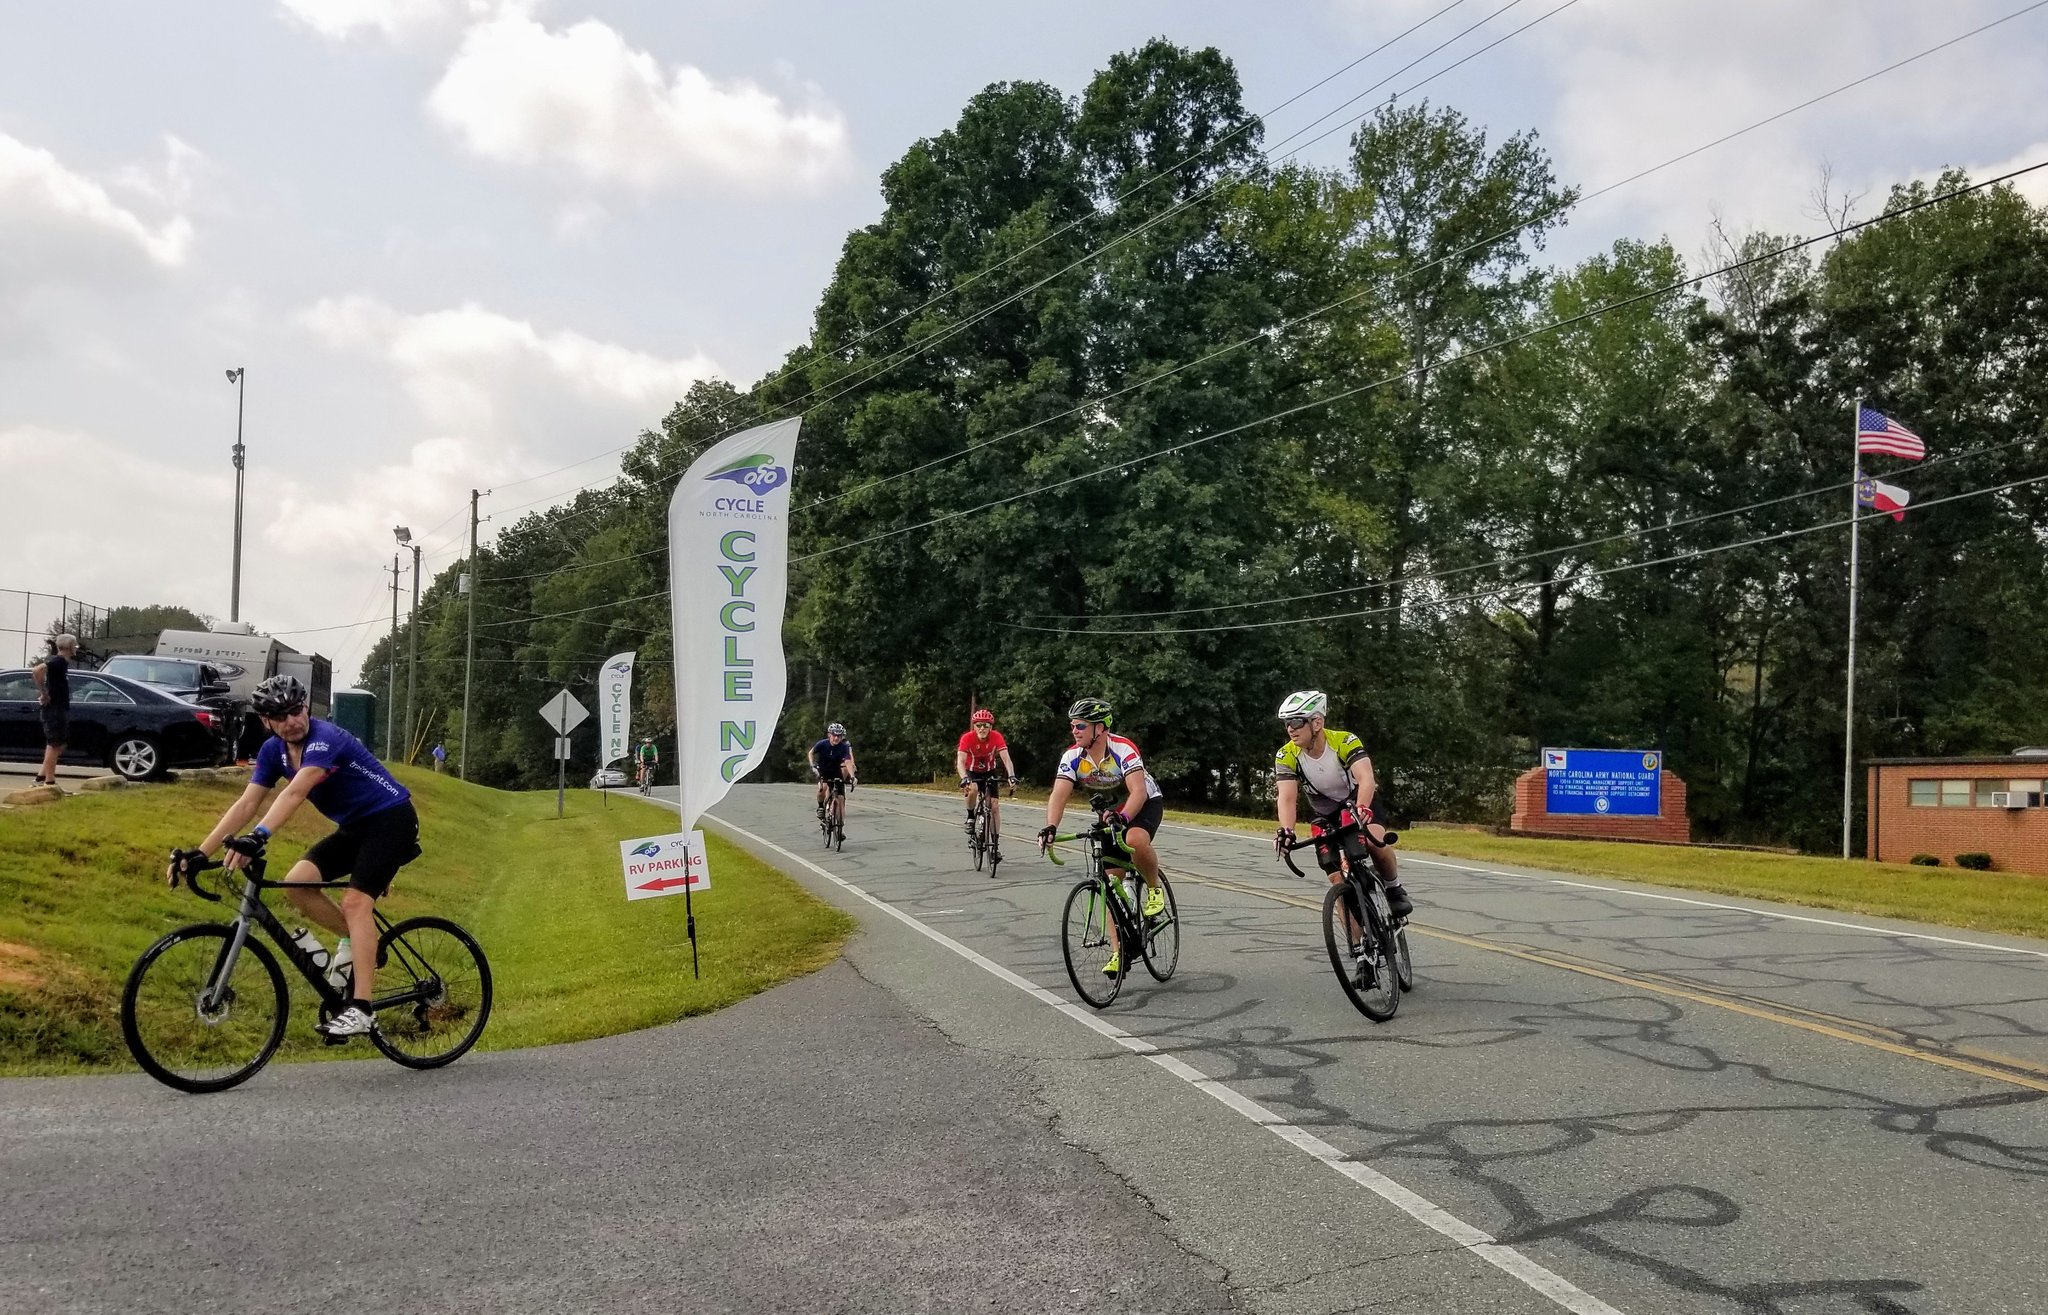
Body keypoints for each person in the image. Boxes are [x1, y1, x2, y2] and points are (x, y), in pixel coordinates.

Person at [170, 673, 420, 1040]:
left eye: (296, 710)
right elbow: (248, 802)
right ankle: (368, 948)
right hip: (356, 827)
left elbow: (295, 793)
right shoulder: (274, 752)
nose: (292, 721)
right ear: (266, 722)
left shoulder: (326, 738)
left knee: (355, 903)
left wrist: (258, 837)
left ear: (306, 707)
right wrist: (199, 852)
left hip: (392, 819)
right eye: (280, 716)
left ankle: (362, 1009)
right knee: (297, 884)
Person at [1270, 690, 1413, 963]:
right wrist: (1286, 830)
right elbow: (1286, 797)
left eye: (1297, 722)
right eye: (1286, 723)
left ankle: (1393, 888)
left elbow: (1366, 777)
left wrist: (1362, 808)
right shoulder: (1286, 755)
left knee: (1373, 841)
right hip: (1327, 814)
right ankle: (1360, 950)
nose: (1290, 728)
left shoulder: (1344, 741)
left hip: (1360, 801)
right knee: (1337, 878)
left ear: (1317, 723)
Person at [1037, 697, 1165, 976]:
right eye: (1072, 725)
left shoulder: (1123, 748)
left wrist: (1124, 818)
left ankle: (1154, 889)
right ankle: (1120, 953)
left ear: (1101, 727)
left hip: (1143, 804)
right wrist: (1050, 827)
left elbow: (1138, 792)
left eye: (1080, 725)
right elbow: (1059, 794)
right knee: (1109, 884)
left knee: (1133, 839)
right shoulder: (1072, 757)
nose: (1075, 730)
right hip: (1109, 812)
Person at [955, 708, 1019, 859]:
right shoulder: (967, 738)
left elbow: (1006, 759)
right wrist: (964, 778)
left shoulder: (996, 737)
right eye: (978, 725)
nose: (982, 728)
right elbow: (960, 762)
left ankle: (995, 847)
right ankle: (971, 816)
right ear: (974, 726)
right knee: (973, 789)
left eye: (986, 725)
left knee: (994, 806)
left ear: (991, 727)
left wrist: (1011, 776)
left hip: (990, 772)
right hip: (972, 772)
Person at [30, 633, 76, 787]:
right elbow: (37, 670)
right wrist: (44, 693)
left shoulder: (62, 664)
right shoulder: (58, 661)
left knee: (57, 744)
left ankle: (40, 777)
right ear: (69, 647)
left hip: (59, 707)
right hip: (54, 708)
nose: (76, 648)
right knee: (55, 744)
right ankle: (50, 781)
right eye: (74, 645)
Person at [809, 723, 856, 817]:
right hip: (823, 770)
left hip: (835, 770)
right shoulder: (822, 744)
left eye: (839, 736)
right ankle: (821, 806)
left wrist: (852, 776)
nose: (836, 738)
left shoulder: (844, 746)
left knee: (841, 797)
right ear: (829, 735)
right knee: (822, 789)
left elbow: (848, 761)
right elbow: (811, 753)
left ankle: (839, 825)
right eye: (834, 735)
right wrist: (812, 765)